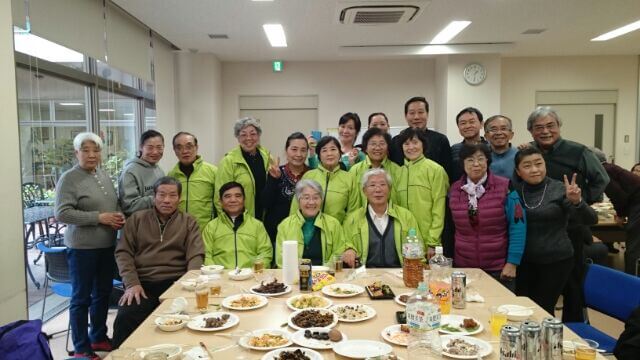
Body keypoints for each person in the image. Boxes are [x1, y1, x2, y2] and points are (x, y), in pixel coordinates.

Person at [526, 106, 609, 322]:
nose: (545, 131)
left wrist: (580, 201)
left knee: (573, 284)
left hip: (571, 226)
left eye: (550, 126)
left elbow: (602, 179)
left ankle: (574, 332)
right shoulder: (529, 152)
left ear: (559, 126)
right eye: (539, 127)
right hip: (540, 228)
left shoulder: (579, 151)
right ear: (531, 131)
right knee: (538, 290)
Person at [55, 132, 125, 359]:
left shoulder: (102, 175)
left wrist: (116, 217)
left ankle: (98, 337)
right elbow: (62, 213)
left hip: (106, 245)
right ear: (76, 153)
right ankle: (81, 348)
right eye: (85, 150)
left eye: (96, 150)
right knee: (81, 298)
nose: (91, 155)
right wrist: (99, 218)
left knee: (102, 294)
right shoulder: (69, 178)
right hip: (82, 249)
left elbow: (110, 205)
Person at [112, 177, 204, 348]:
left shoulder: (189, 221)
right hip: (143, 284)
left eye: (172, 195)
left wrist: (189, 284)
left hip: (177, 283)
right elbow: (123, 253)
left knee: (188, 320)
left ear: (179, 198)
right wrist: (131, 284)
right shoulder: (136, 220)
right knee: (126, 317)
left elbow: (195, 255)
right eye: (161, 195)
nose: (167, 200)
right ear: (154, 197)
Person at [513, 147, 597, 317]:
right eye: (527, 166)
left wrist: (577, 202)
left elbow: (590, 219)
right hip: (524, 261)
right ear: (518, 172)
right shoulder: (514, 189)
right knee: (521, 307)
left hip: (556, 260)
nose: (535, 169)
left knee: (543, 309)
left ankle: (545, 342)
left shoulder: (560, 189)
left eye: (539, 164)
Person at [448, 144, 526, 291]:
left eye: (480, 159)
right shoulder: (455, 189)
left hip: (498, 268)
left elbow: (518, 226)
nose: (476, 164)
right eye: (470, 160)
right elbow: (451, 228)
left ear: (488, 161)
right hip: (464, 268)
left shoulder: (505, 186)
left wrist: (512, 263)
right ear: (463, 163)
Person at [342, 169, 420, 268]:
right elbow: (344, 244)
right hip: (365, 276)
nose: (378, 190)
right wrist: (348, 250)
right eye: (372, 185)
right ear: (364, 191)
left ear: (390, 189)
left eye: (383, 184)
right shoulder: (353, 219)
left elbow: (418, 251)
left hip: (399, 274)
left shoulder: (406, 216)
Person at [395, 127, 449, 256]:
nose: (411, 147)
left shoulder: (435, 170)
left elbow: (439, 207)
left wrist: (433, 241)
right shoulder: (398, 172)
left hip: (427, 239)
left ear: (423, 145)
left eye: (415, 142)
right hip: (403, 239)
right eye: (406, 144)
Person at [591, 147, 640, 275]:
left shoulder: (602, 171)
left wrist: (620, 215)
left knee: (634, 247)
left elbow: (618, 196)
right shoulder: (609, 168)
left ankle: (631, 280)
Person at [276, 179, 345, 267]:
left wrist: (324, 272)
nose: (311, 202)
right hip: (295, 277)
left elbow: (338, 253)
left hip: (326, 276)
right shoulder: (285, 225)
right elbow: (281, 260)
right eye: (306, 198)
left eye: (316, 197)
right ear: (298, 200)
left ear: (321, 200)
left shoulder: (333, 224)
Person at [203, 182, 272, 269]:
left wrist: (252, 272)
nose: (233, 200)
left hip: (251, 277)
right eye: (227, 196)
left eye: (238, 196)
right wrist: (216, 273)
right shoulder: (211, 227)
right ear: (220, 201)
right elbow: (206, 255)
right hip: (220, 278)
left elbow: (265, 253)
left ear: (244, 199)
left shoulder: (257, 225)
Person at [291, 136, 359, 223]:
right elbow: (295, 207)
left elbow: (353, 213)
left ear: (340, 153)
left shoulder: (350, 178)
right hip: (309, 232)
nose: (329, 153)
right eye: (324, 150)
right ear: (319, 156)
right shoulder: (309, 176)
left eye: (333, 149)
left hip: (338, 233)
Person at [262, 132, 309, 257]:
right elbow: (265, 203)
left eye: (303, 150)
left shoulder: (311, 174)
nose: (298, 154)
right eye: (294, 149)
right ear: (286, 151)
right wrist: (273, 179)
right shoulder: (275, 172)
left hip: (304, 235)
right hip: (276, 234)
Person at [216, 117, 270, 219]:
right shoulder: (228, 161)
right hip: (239, 220)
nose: (248, 138)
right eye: (243, 134)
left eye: (253, 134)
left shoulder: (266, 157)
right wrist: (227, 223)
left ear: (258, 136)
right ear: (238, 137)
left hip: (263, 219)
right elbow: (220, 196)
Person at [389, 96, 453, 180]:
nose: (416, 117)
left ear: (427, 114)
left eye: (420, 112)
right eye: (412, 113)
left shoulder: (441, 140)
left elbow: (447, 173)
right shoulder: (396, 141)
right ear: (406, 116)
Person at [167, 132, 217, 231]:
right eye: (179, 147)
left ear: (196, 147)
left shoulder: (213, 172)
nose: (185, 151)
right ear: (174, 150)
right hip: (178, 231)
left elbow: (220, 204)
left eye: (189, 146)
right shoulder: (171, 175)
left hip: (205, 230)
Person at [118, 130, 165, 217]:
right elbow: (128, 206)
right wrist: (158, 199)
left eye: (159, 147)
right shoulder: (130, 171)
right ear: (141, 147)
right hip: (137, 226)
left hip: (156, 223)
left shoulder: (159, 170)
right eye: (150, 147)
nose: (155, 152)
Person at [349, 127, 400, 208]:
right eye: (373, 144)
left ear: (387, 148)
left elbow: (399, 200)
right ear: (365, 147)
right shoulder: (354, 170)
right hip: (362, 218)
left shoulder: (397, 170)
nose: (377, 148)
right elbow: (352, 201)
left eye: (382, 144)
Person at [450, 107, 487, 182]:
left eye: (472, 122)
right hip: (459, 191)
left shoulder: (490, 148)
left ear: (481, 124)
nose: (467, 126)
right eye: (463, 123)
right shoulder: (454, 149)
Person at [484, 115, 518, 179]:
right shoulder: (481, 157)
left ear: (511, 134)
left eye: (503, 129)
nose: (499, 133)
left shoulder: (520, 155)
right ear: (486, 136)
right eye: (493, 129)